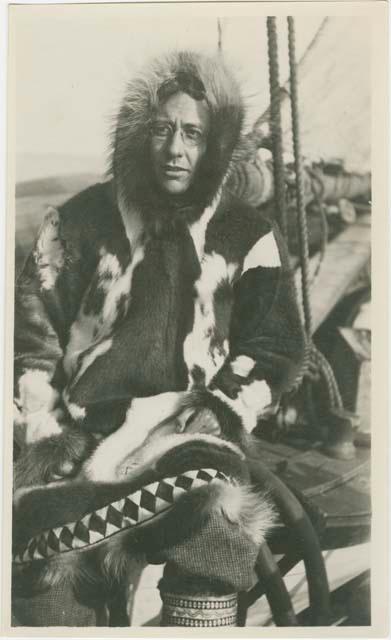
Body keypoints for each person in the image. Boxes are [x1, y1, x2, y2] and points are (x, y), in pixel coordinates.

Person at [12, 50, 305, 627]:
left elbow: (273, 346)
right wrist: (42, 424)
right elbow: (31, 330)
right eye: (161, 129)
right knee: (43, 578)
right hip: (79, 427)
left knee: (213, 524)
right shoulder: (76, 220)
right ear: (135, 135)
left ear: (215, 142)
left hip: (186, 427)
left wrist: (221, 407)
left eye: (193, 133)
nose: (175, 148)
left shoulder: (249, 234)